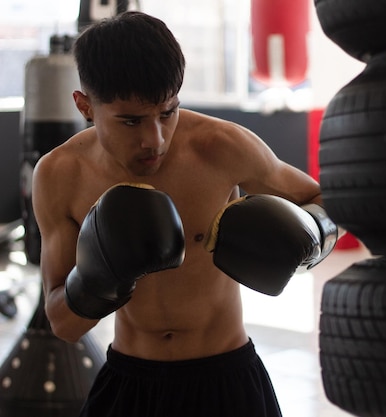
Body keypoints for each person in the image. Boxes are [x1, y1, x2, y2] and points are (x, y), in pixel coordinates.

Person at [31, 11, 338, 417]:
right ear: (85, 105)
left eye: (167, 112)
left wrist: (308, 235)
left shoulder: (222, 146)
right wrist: (97, 279)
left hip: (227, 379)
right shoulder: (60, 175)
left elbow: (327, 202)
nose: (154, 140)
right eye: (130, 121)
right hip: (129, 381)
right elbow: (63, 325)